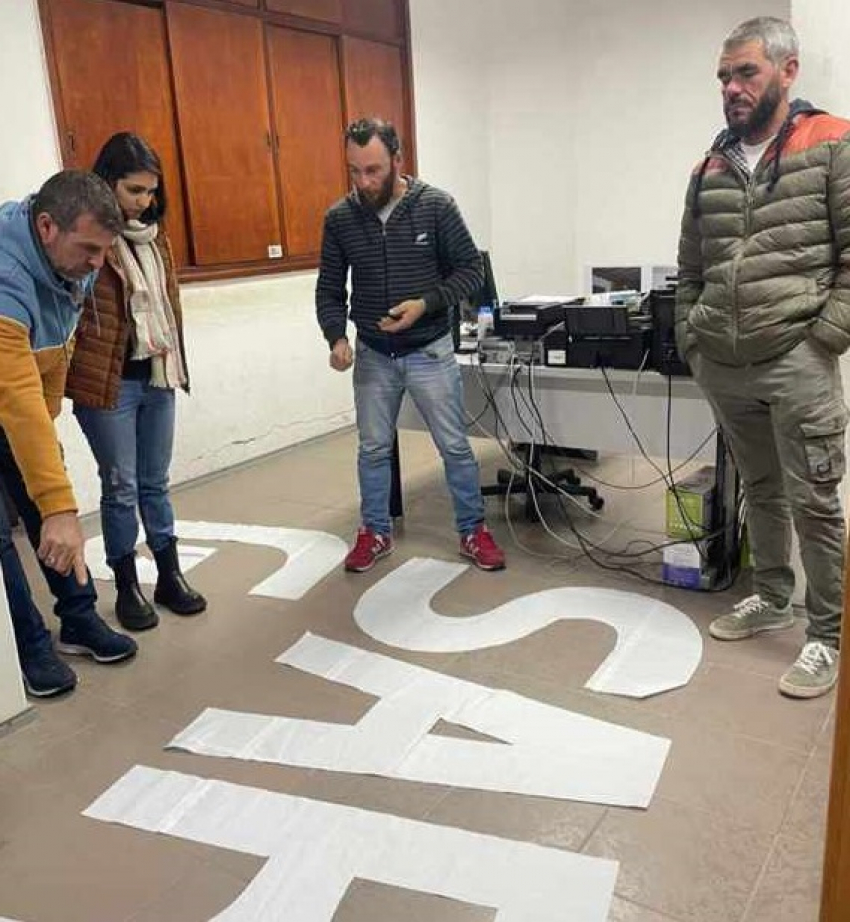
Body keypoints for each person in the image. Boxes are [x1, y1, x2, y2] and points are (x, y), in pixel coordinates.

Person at [676, 16, 850, 699]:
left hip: (796, 358)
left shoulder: (832, 144)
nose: (732, 87)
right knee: (762, 490)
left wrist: (823, 339)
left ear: (787, 70)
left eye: (746, 72)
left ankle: (828, 634)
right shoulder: (710, 167)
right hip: (726, 364)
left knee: (815, 501)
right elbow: (691, 269)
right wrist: (694, 339)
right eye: (724, 76)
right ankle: (773, 597)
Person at [316, 118, 506, 573]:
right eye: (355, 171)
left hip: (429, 350)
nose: (364, 182)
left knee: (454, 447)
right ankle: (375, 531)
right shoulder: (340, 218)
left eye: (374, 170)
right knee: (373, 449)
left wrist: (425, 304)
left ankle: (472, 530)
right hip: (374, 355)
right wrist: (336, 336)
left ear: (398, 160)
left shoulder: (435, 206)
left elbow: (471, 271)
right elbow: (329, 289)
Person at [0, 169, 138, 696]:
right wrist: (58, 506)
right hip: (8, 394)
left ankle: (78, 619)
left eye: (105, 250)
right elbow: (15, 396)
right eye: (90, 249)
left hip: (16, 399)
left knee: (44, 506)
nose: (98, 264)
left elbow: (57, 354)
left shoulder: (73, 265)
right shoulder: (6, 276)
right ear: (46, 227)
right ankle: (27, 645)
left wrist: (48, 439)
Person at [65, 133, 205, 632]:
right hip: (109, 384)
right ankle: (127, 585)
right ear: (108, 183)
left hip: (157, 374)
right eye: (134, 190)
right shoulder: (88, 236)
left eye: (150, 191)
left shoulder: (155, 236)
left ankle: (169, 575)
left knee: (154, 483)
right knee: (120, 486)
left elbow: (168, 306)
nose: (145, 201)